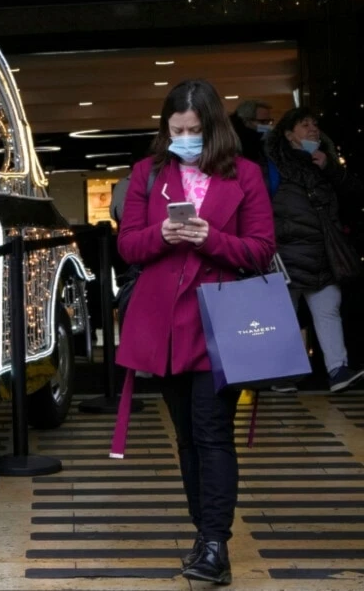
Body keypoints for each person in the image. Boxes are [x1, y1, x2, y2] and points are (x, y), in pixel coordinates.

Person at [116, 79, 276, 586]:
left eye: (194, 130)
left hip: (221, 321)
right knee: (186, 436)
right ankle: (203, 533)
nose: (184, 138)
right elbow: (128, 246)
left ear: (214, 129)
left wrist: (213, 240)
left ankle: (215, 543)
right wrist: (160, 235)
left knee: (212, 433)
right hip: (164, 324)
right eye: (175, 130)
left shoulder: (245, 175)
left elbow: (261, 248)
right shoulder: (147, 174)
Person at [265, 107, 364, 392]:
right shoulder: (272, 167)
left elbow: (355, 194)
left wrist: (331, 168)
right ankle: (284, 374)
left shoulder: (325, 164)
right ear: (287, 134)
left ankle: (337, 370)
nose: (313, 129)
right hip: (286, 254)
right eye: (304, 124)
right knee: (286, 315)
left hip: (324, 254)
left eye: (315, 124)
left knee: (328, 311)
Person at [230, 99, 273, 165]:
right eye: (262, 122)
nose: (266, 126)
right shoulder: (233, 142)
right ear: (246, 121)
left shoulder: (261, 136)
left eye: (269, 121)